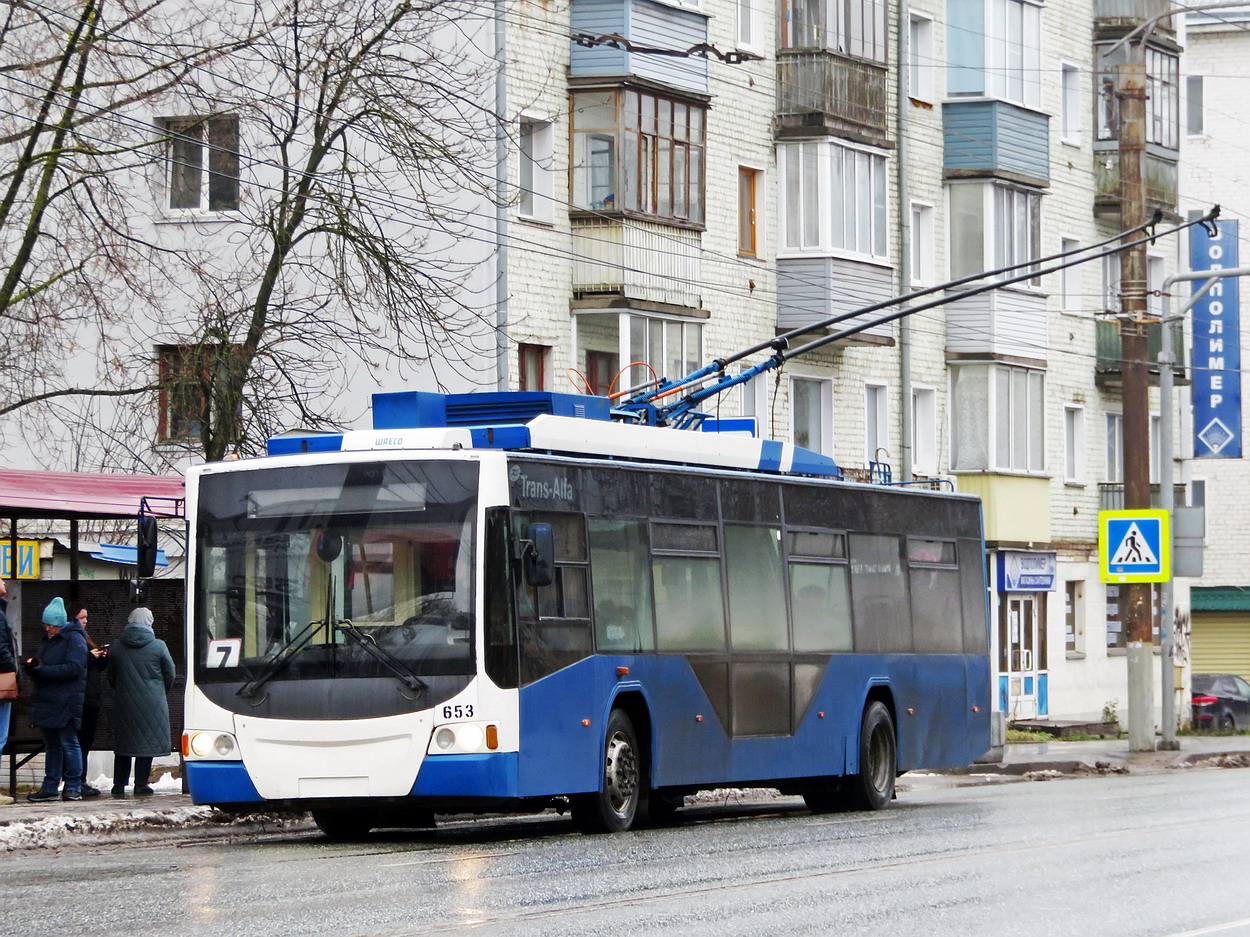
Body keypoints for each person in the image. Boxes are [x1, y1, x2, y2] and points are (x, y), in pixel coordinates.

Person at [23, 597, 88, 802]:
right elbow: (44, 666)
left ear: (60, 623)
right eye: (46, 624)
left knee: (69, 743)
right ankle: (50, 786)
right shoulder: (51, 640)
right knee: (52, 744)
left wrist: (43, 670)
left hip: (66, 701)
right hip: (49, 700)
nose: (48, 628)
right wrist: (33, 667)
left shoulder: (74, 639)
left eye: (51, 625)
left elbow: (75, 668)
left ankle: (73, 786)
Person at [107, 606, 175, 797]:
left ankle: (119, 785)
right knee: (147, 743)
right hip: (153, 702)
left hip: (125, 701)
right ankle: (141, 784)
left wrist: (122, 690)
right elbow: (170, 673)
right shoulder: (159, 646)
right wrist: (160, 691)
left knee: (124, 744)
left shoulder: (117, 646)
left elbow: (111, 675)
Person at [71, 606, 107, 798]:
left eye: (86, 617)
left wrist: (101, 658)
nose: (85, 621)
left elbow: (91, 667)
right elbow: (74, 664)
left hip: (91, 696)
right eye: (81, 617)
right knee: (80, 742)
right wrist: (90, 657)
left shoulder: (84, 636)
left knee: (85, 741)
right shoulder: (72, 638)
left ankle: (78, 780)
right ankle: (78, 780)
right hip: (82, 697)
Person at [0, 581, 17, 806]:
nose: (4, 582)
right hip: (2, 680)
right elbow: (1, 648)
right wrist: (13, 670)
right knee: (0, 735)